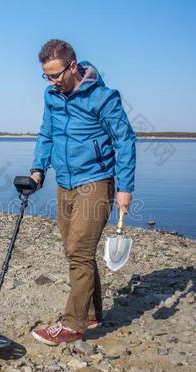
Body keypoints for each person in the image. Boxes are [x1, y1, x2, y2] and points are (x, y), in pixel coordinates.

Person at [29, 39, 136, 346]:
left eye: (55, 75)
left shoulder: (103, 98)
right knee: (76, 251)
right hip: (65, 183)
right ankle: (92, 312)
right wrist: (38, 169)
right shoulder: (51, 96)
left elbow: (125, 141)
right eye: (46, 76)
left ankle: (72, 325)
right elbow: (46, 134)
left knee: (79, 251)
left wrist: (125, 187)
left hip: (96, 181)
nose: (51, 82)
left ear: (72, 66)